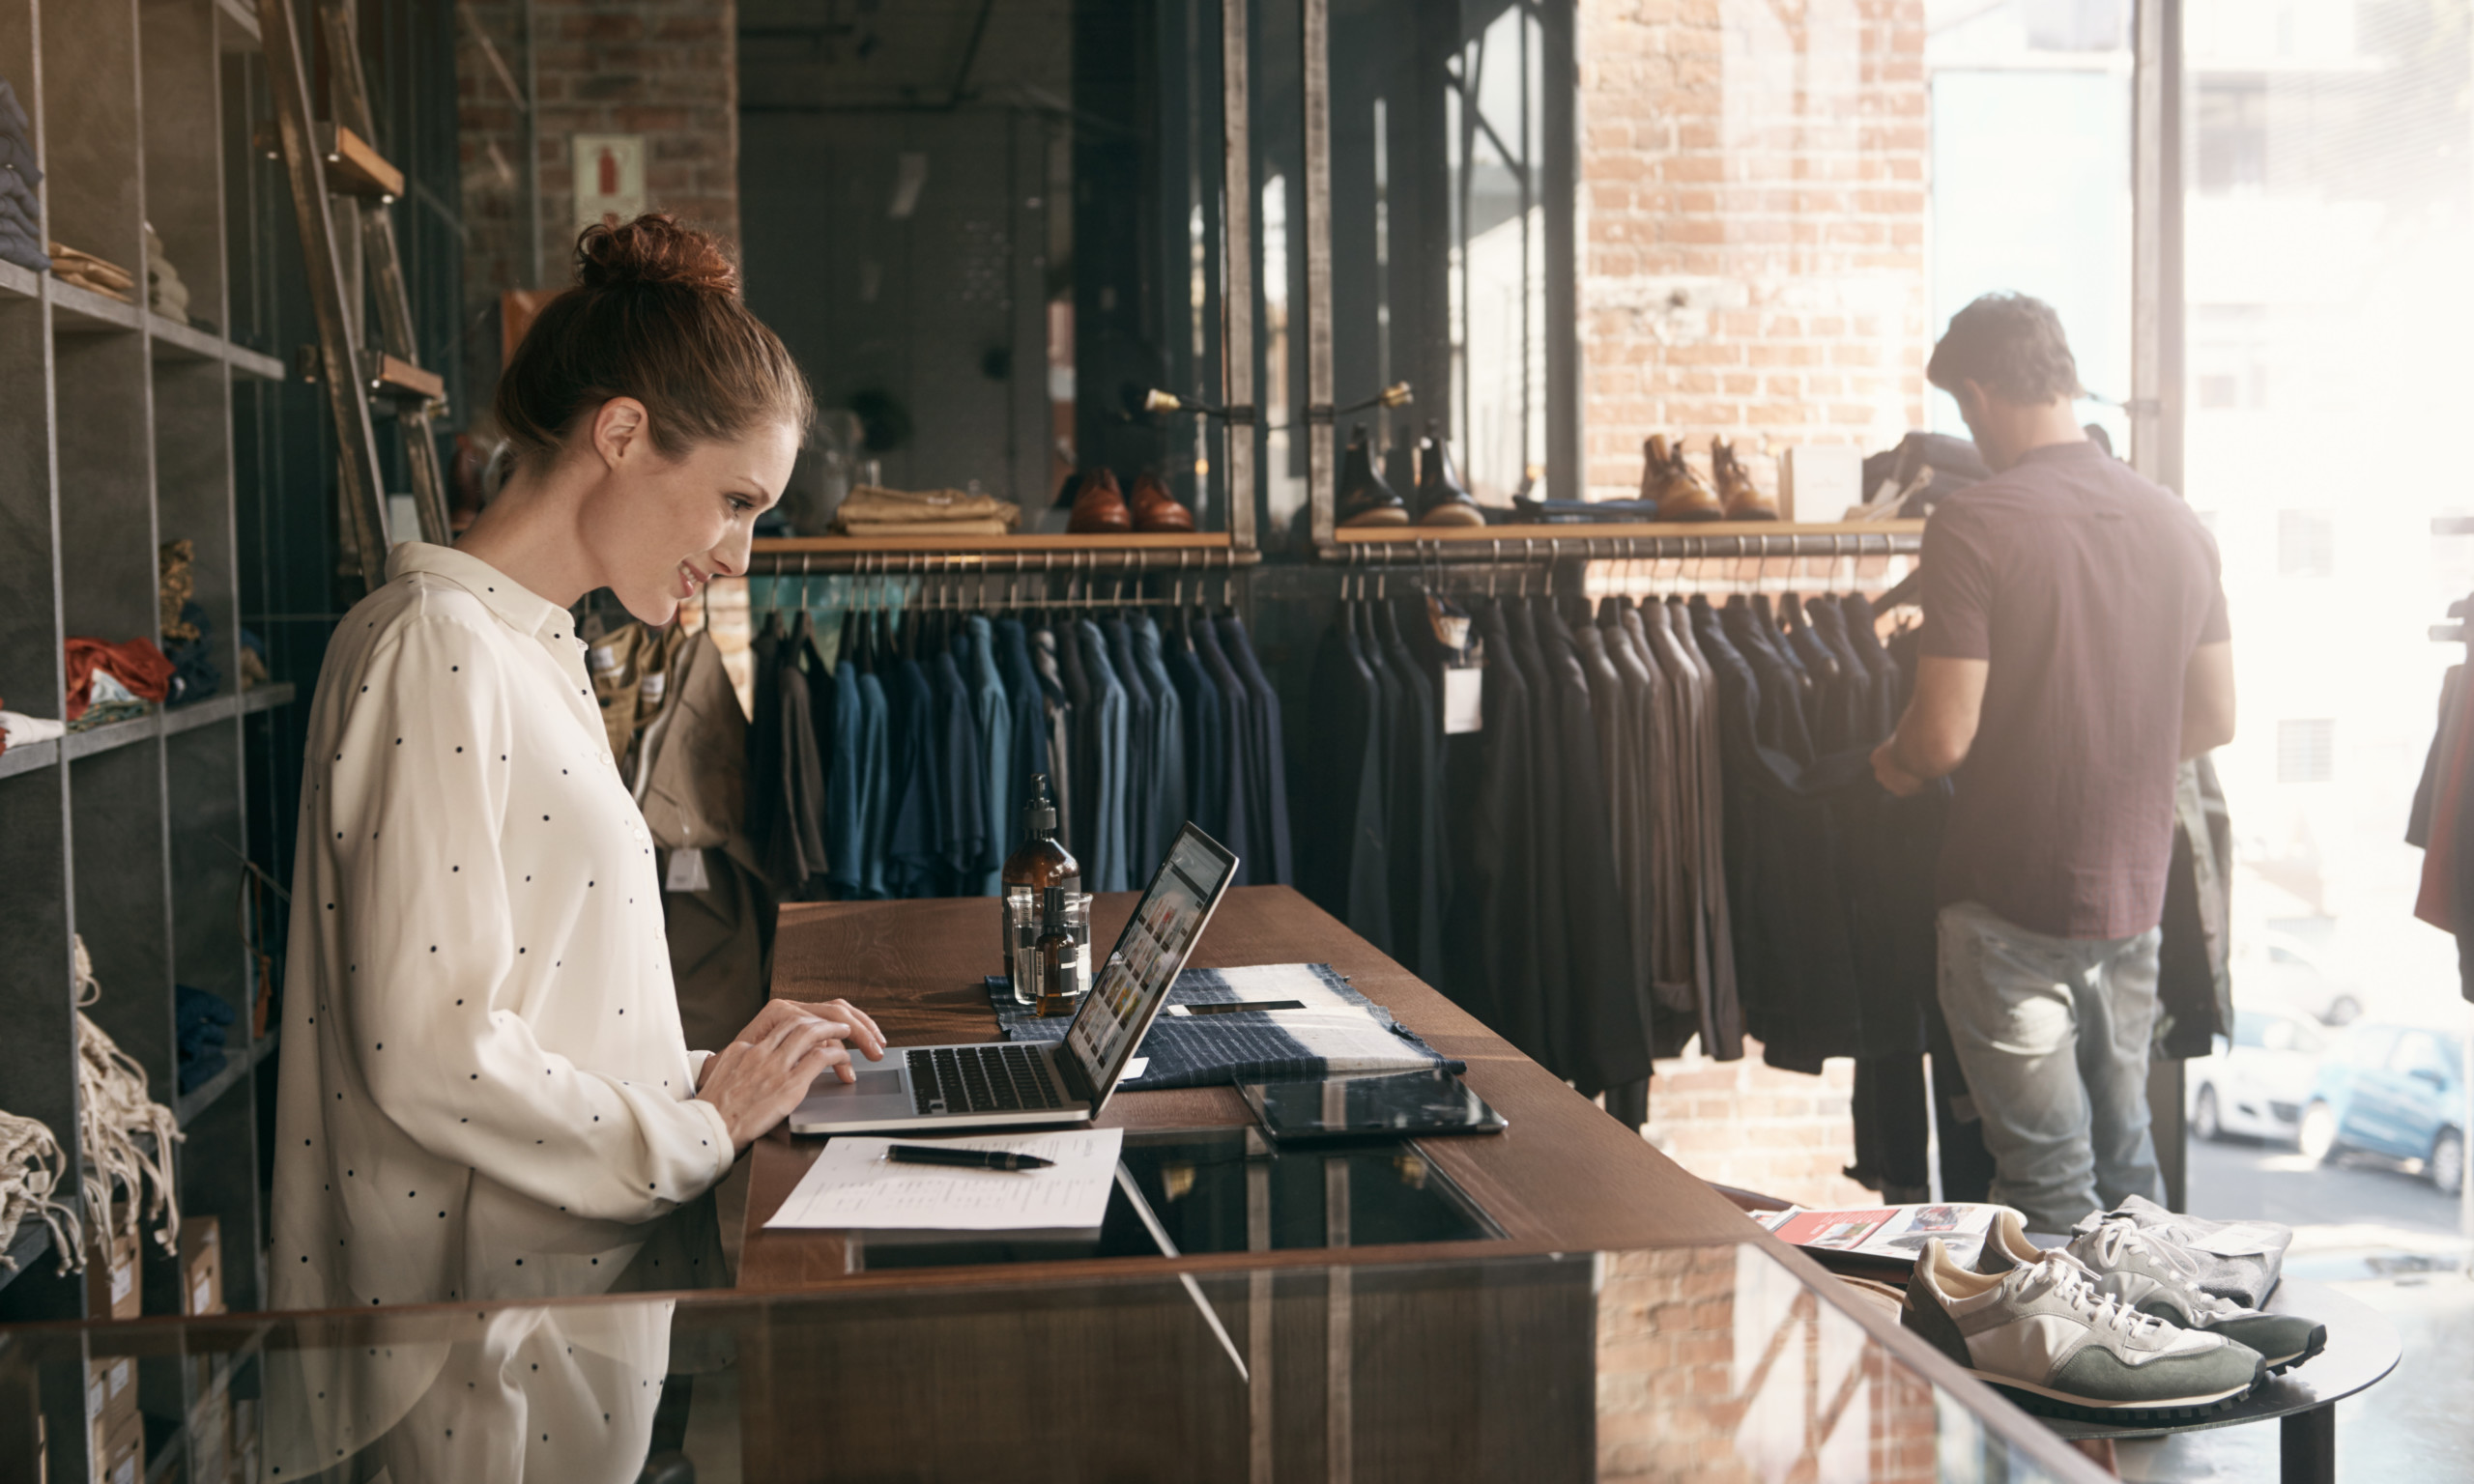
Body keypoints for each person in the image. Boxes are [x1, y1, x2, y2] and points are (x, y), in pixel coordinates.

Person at [269, 214, 884, 1314]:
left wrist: (713, 1071)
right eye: (736, 501)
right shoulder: (439, 648)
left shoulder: (524, 646)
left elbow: (533, 1002)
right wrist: (702, 1127)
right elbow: (428, 1052)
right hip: (482, 1357)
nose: (738, 556)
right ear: (621, 432)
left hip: (548, 1314)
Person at [1871, 293, 2235, 1234]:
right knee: (2128, 1174)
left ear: (1983, 393)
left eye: (1962, 408)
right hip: (2130, 899)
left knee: (2048, 1191)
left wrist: (1889, 767)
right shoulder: (2178, 523)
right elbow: (2213, 716)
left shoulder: (1974, 522)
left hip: (2006, 907)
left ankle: (2076, 1375)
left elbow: (1940, 737)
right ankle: (2167, 1358)